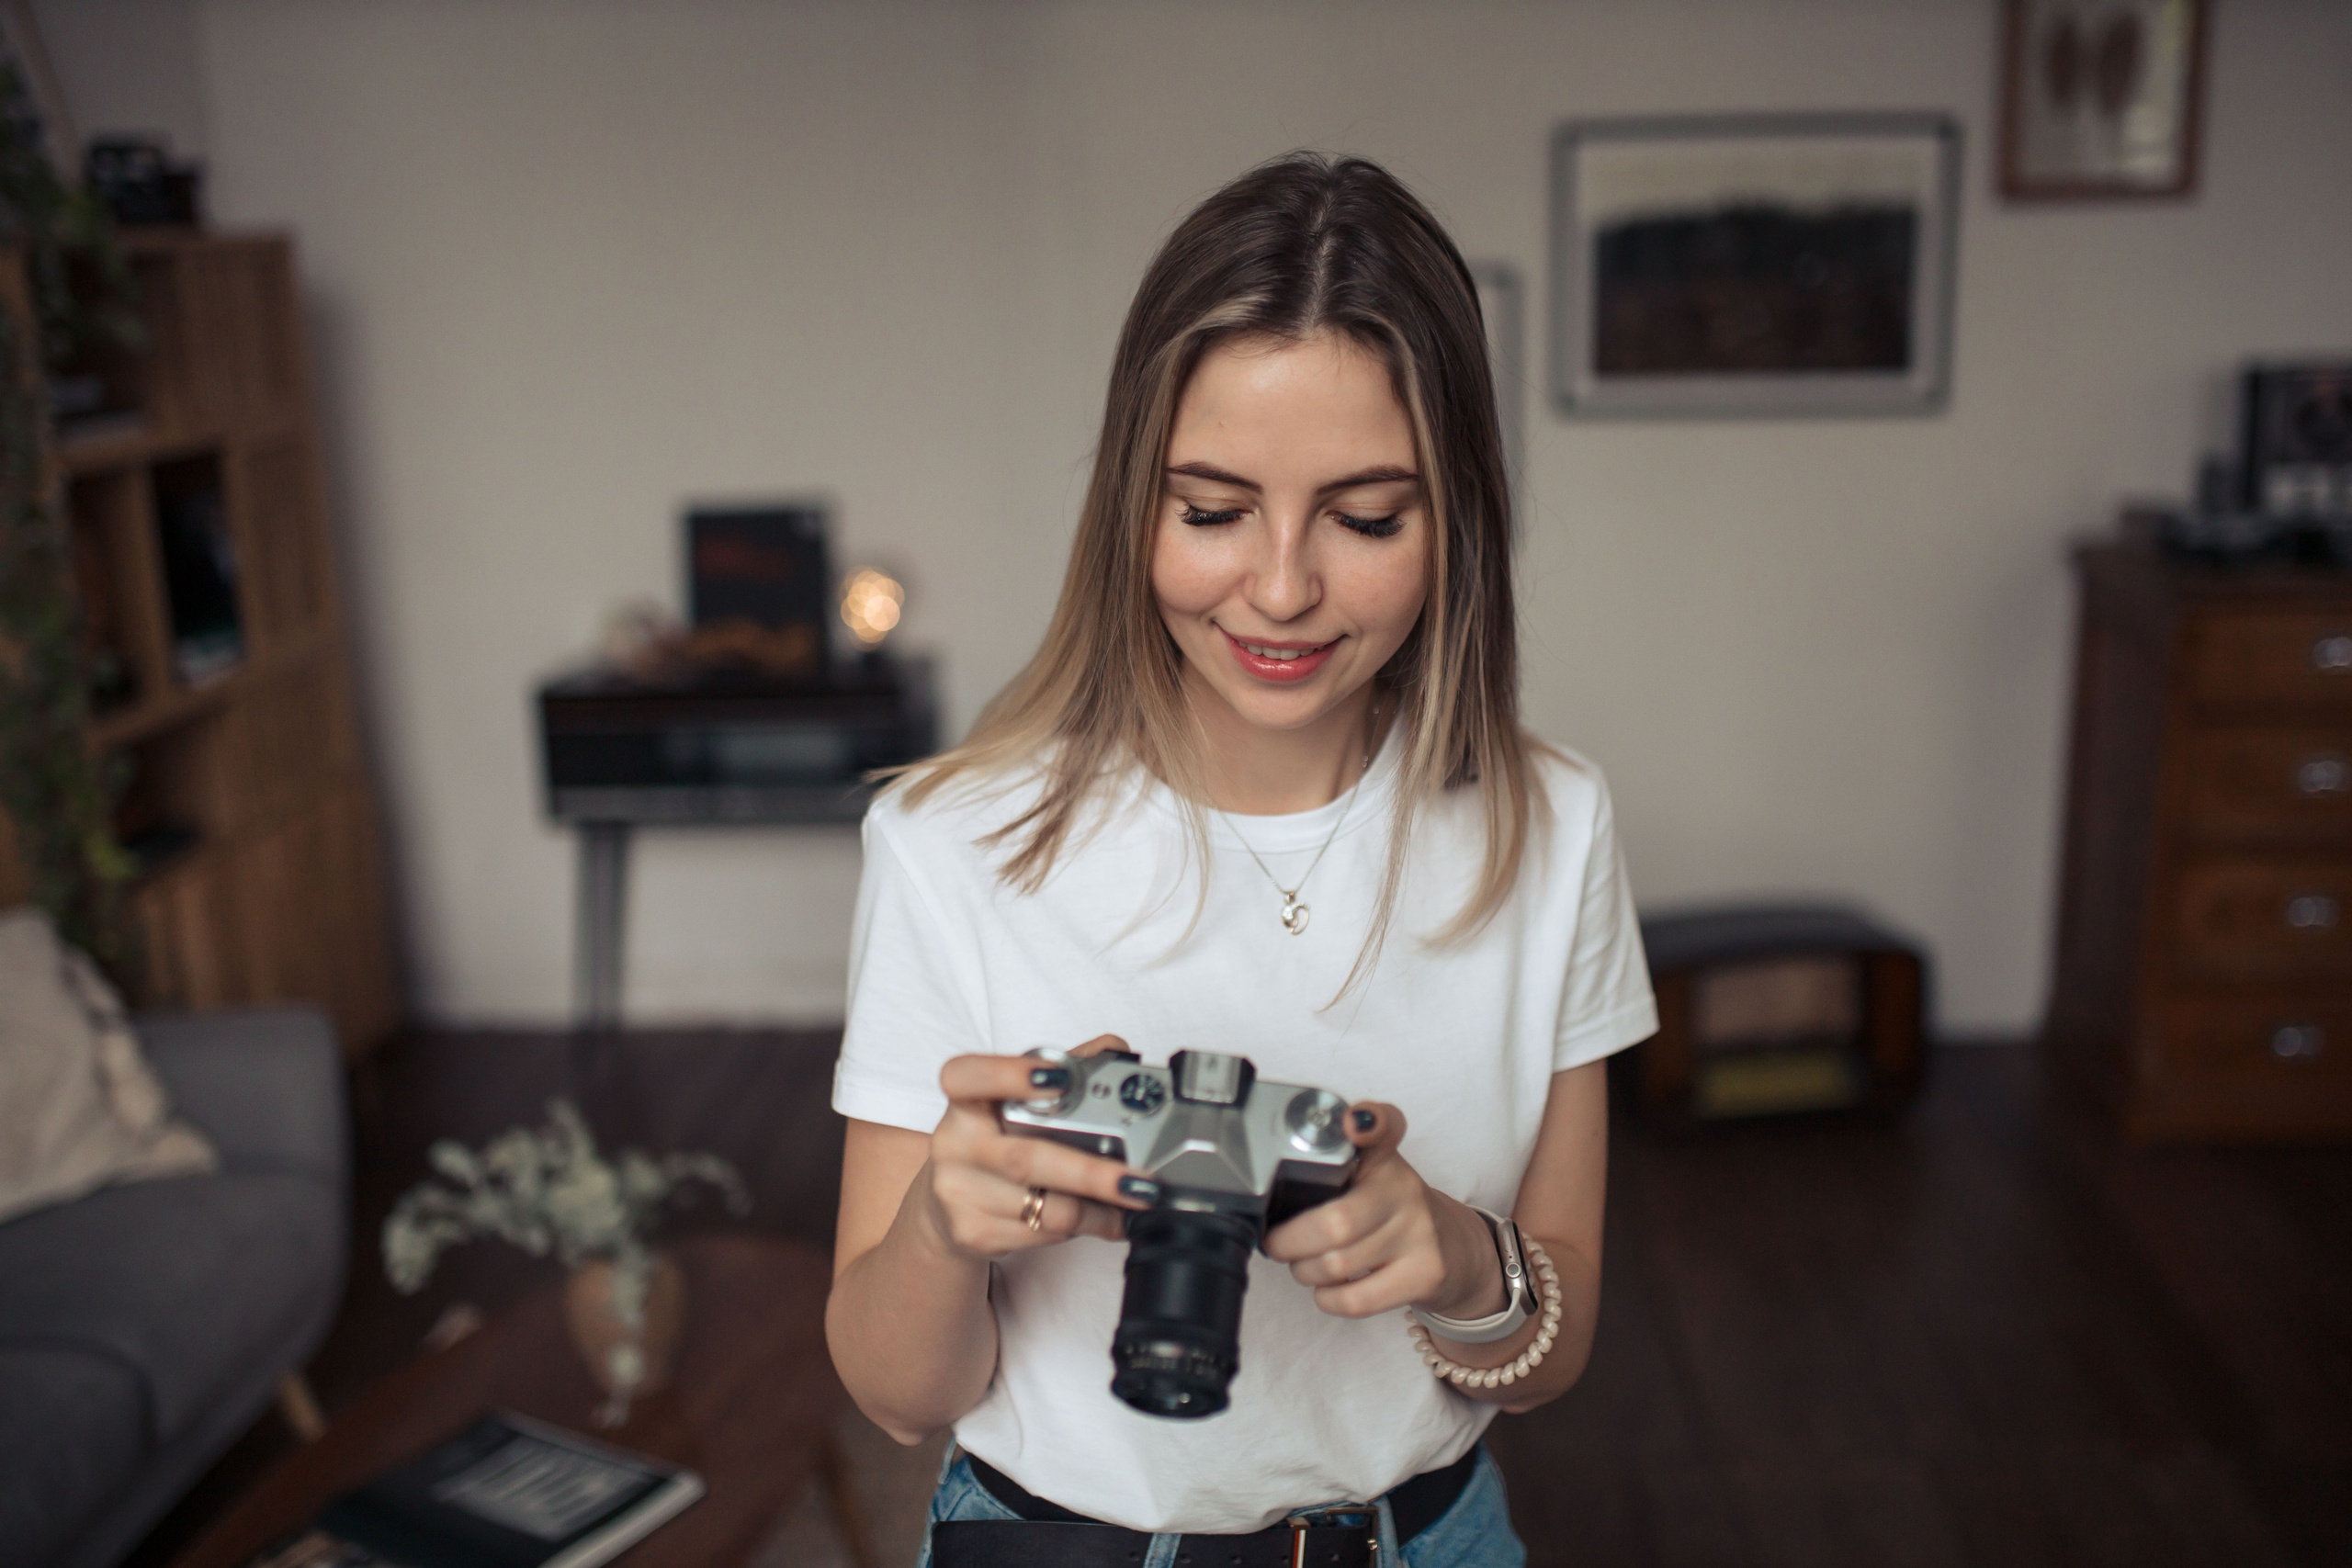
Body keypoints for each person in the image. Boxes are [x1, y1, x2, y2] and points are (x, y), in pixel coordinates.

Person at [826, 152, 1656, 1568]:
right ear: (1130, 508)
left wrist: (1461, 1257)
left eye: (1368, 517)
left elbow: (1550, 1351)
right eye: (1210, 510)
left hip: (1433, 1537)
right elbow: (899, 1395)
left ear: (1456, 518)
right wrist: (945, 1234)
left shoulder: (1553, 826)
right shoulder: (949, 844)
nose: (1280, 588)